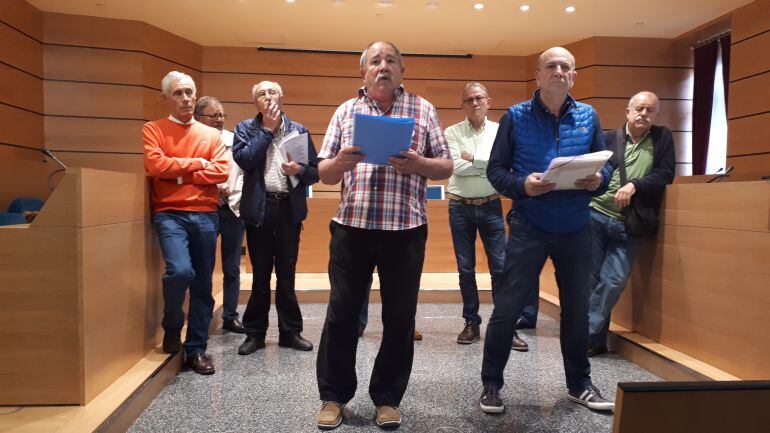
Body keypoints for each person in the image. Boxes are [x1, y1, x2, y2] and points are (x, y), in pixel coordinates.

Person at [314, 41, 452, 430]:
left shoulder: (423, 109)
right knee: (341, 314)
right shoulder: (346, 110)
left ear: (402, 71)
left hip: (405, 231)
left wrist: (419, 164)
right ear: (364, 72)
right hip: (352, 228)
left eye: (391, 60)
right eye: (375, 61)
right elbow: (323, 172)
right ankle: (333, 396)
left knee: (400, 317)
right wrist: (340, 162)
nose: (383, 66)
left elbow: (445, 166)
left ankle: (388, 398)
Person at [479, 47, 616, 413]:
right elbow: (496, 171)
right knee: (508, 308)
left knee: (577, 310)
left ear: (573, 76)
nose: (558, 71)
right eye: (551, 66)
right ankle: (491, 385)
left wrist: (599, 180)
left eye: (565, 67)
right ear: (538, 76)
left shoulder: (588, 115)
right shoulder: (515, 116)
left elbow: (606, 168)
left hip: (576, 227)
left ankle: (579, 384)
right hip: (529, 225)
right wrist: (523, 185)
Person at [143, 71, 228, 375]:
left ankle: (196, 349)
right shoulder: (153, 129)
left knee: (203, 284)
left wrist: (177, 174)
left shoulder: (211, 135)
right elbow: (155, 165)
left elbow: (221, 171)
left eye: (190, 92)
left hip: (206, 213)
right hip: (169, 213)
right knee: (179, 271)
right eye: (178, 93)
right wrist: (198, 164)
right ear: (166, 97)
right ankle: (172, 326)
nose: (186, 99)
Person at [232, 81, 319, 355]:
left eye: (272, 92)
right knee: (260, 277)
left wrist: (299, 170)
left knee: (286, 275)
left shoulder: (298, 130)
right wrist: (267, 131)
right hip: (259, 209)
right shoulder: (245, 129)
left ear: (282, 97)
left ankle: (290, 332)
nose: (268, 97)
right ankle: (255, 334)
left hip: (288, 210)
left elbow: (314, 172)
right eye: (261, 93)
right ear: (255, 102)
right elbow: (245, 160)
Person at [587, 91, 676, 356]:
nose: (643, 114)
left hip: (630, 222)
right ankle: (595, 342)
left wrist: (635, 185)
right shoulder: (608, 139)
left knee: (613, 281)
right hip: (595, 215)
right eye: (639, 108)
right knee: (590, 281)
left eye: (650, 110)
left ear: (656, 115)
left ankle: (582, 332)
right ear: (628, 111)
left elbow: (666, 174)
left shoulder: (662, 138)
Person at [444, 82, 528, 351]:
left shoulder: (500, 131)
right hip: (459, 207)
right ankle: (471, 322)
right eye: (469, 99)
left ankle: (505, 327)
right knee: (465, 269)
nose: (475, 103)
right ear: (462, 104)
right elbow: (455, 167)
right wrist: (486, 164)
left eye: (479, 98)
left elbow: (504, 167)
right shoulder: (451, 132)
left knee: (501, 268)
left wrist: (474, 159)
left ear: (489, 102)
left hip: (491, 205)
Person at [193, 96, 246, 335]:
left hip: (232, 208)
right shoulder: (193, 141)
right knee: (204, 265)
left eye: (222, 115)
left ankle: (230, 316)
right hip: (205, 209)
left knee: (232, 267)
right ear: (198, 117)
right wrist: (212, 189)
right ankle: (202, 316)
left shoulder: (234, 140)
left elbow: (244, 173)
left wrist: (234, 192)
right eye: (214, 115)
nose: (219, 120)